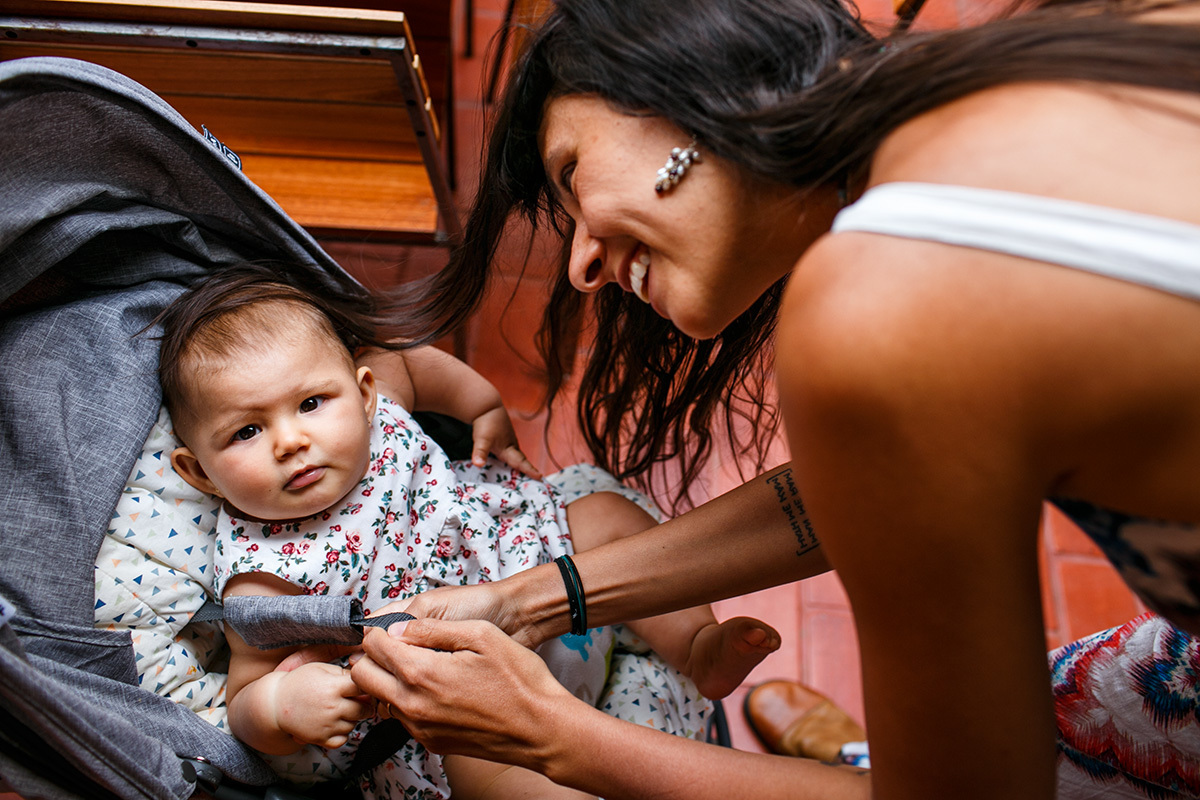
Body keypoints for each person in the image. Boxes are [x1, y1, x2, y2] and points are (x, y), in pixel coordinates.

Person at [344, 0, 1200, 798]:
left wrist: (545, 731)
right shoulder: (1065, 56)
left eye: (573, 176)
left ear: (678, 80)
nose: (581, 267)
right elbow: (868, 499)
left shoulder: (878, 308)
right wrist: (525, 596)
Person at [155, 267, 780, 799]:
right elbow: (246, 696)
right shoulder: (264, 577)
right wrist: (280, 707)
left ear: (363, 392)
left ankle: (695, 646)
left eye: (312, 403)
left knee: (602, 514)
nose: (291, 440)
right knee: (480, 770)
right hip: (460, 699)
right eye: (246, 432)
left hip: (532, 555)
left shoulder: (383, 396)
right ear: (196, 471)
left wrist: (484, 409)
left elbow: (418, 366)